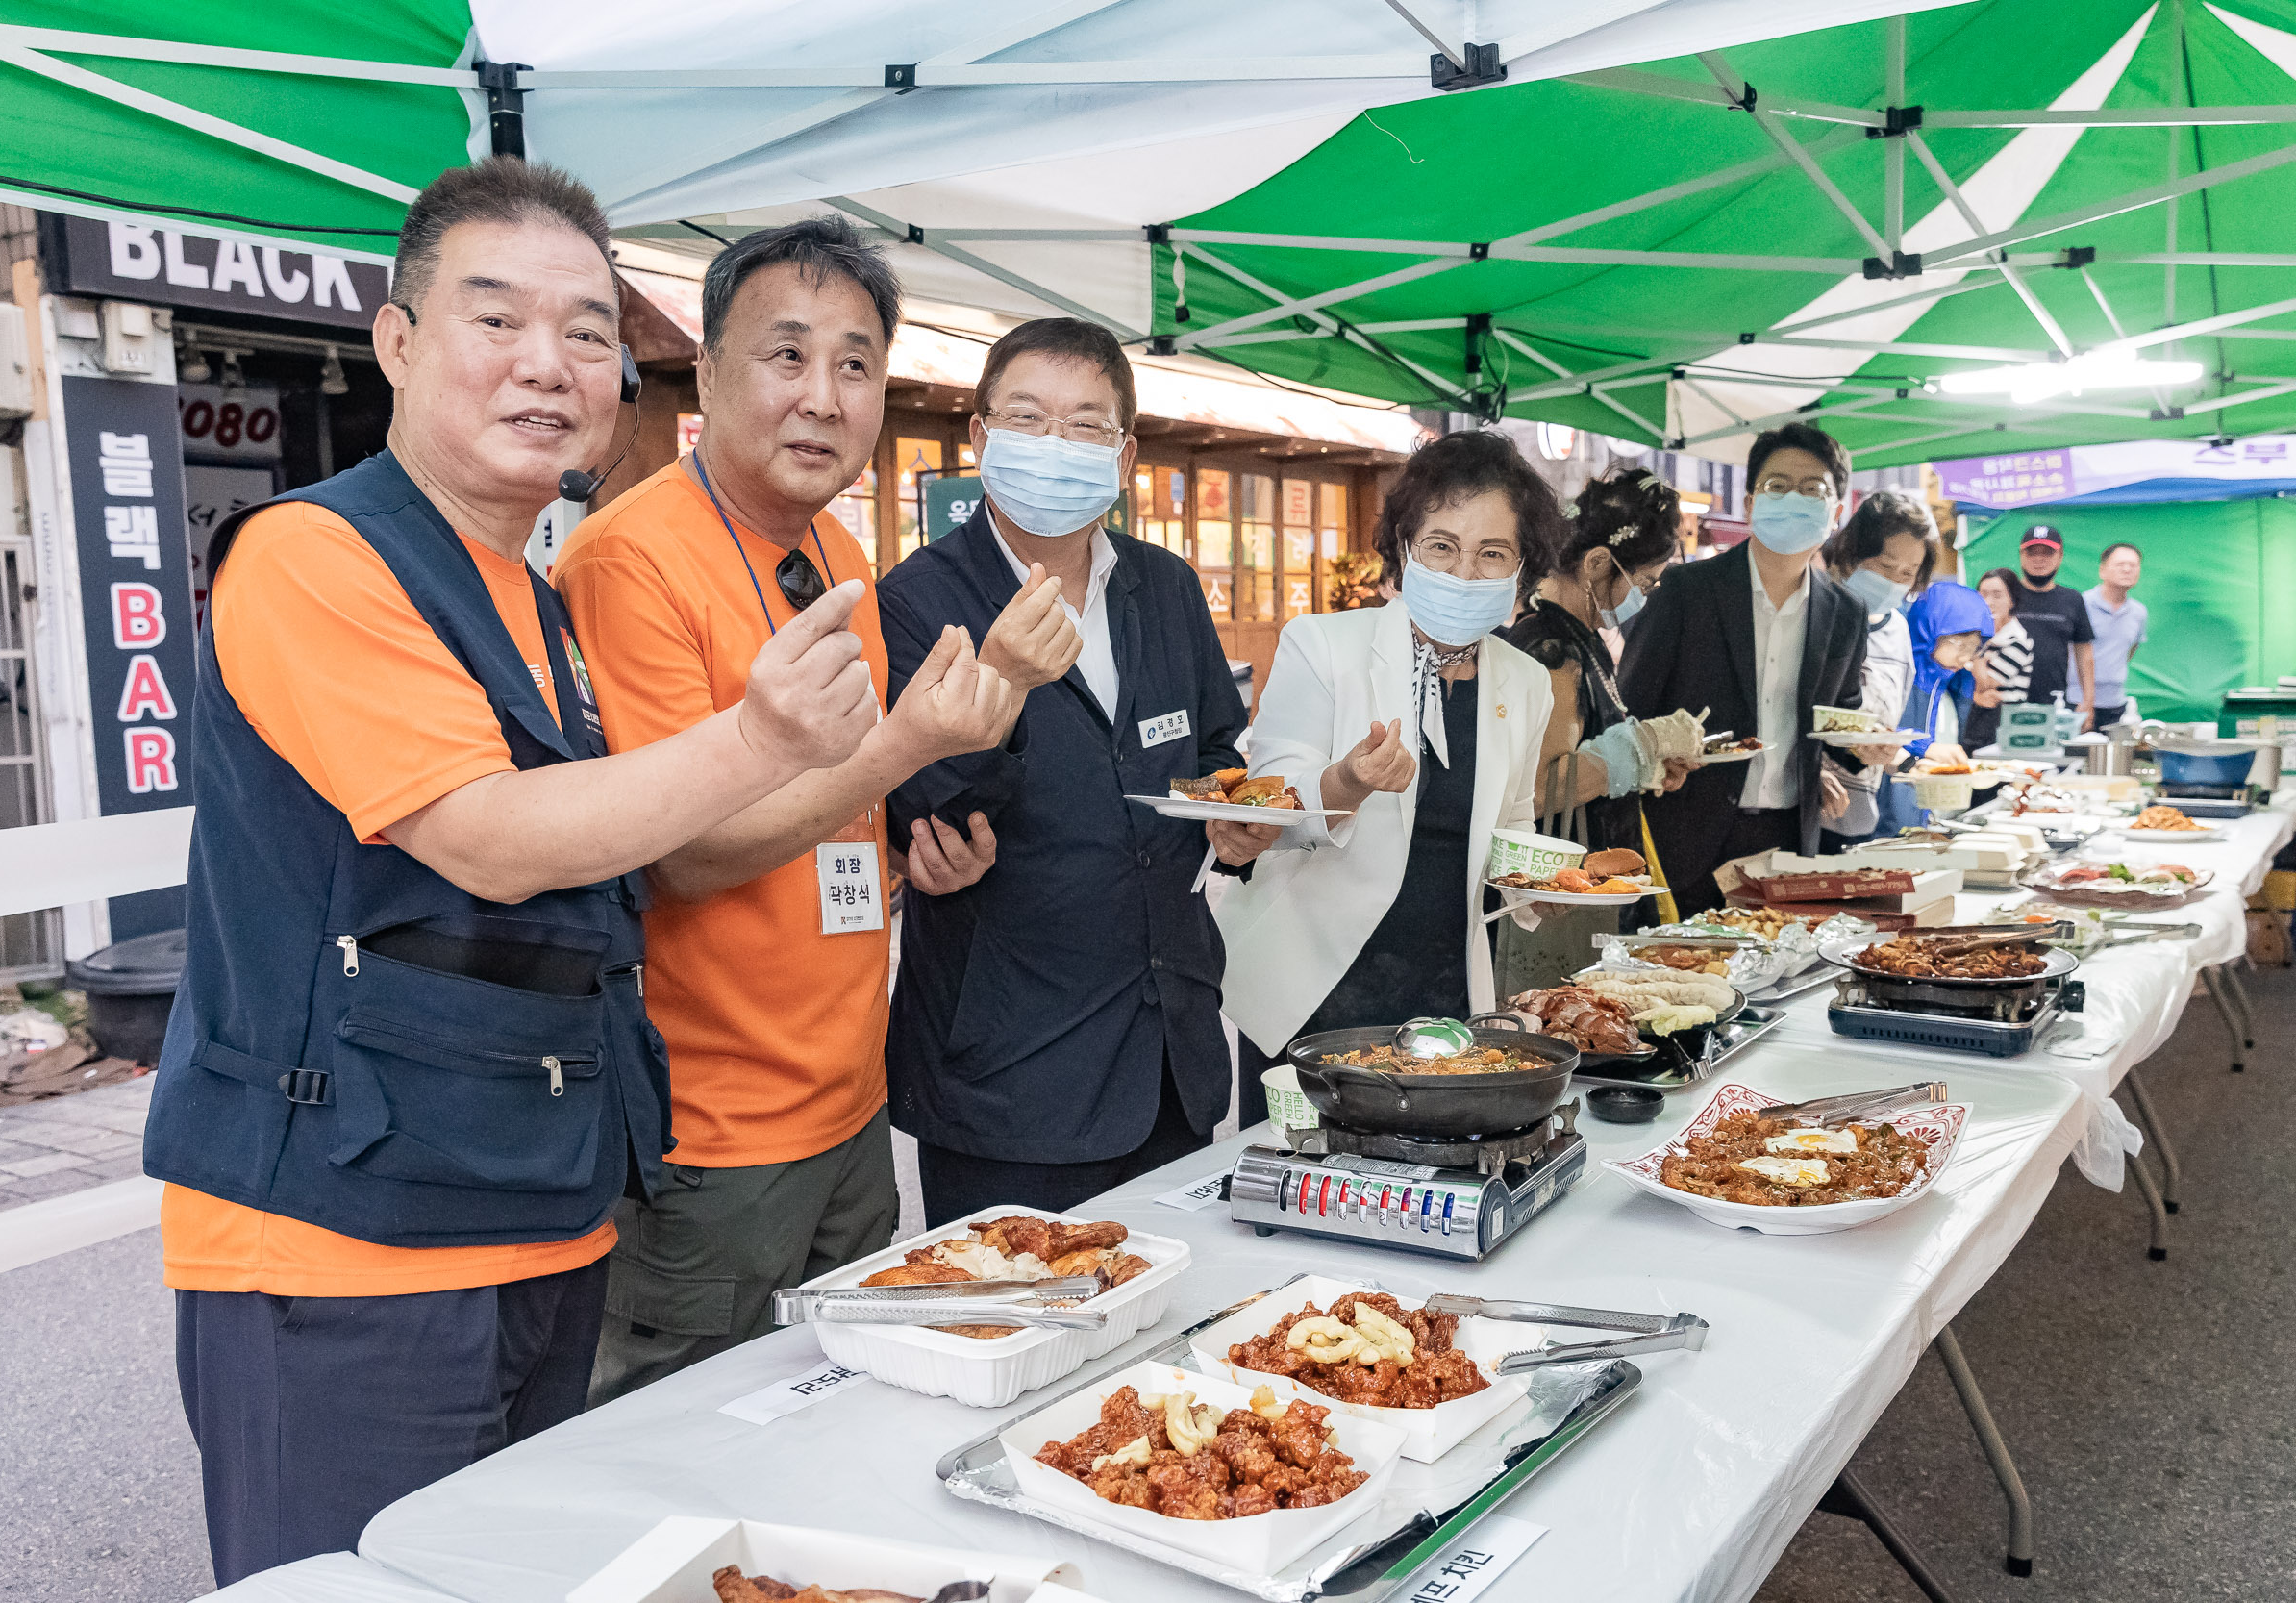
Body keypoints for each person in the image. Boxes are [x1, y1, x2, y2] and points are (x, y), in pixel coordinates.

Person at [143, 161, 884, 1584]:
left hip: (537, 1210)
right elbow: (479, 829)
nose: (548, 364)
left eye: (590, 332)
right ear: (400, 342)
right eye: (498, 321)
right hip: (343, 1245)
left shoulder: (532, 598)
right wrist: (766, 736)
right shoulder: (312, 555)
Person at [551, 220, 1022, 1400]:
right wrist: (910, 742)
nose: (823, 397)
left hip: (849, 1106)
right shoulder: (630, 561)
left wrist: (912, 860)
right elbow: (681, 856)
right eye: (788, 355)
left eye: (856, 364)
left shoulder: (833, 545)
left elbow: (831, 804)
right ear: (705, 374)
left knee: (844, 1428)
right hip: (712, 1135)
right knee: (692, 1464)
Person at [877, 317, 1243, 1226]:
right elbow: (927, 806)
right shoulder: (919, 599)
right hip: (1009, 1078)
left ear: (1123, 457)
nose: (1055, 447)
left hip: (1172, 1056)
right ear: (981, 439)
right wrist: (1001, 680)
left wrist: (1239, 822)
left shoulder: (1164, 586)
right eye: (1029, 418)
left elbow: (1216, 755)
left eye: (1084, 427)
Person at [1213, 433, 1690, 1114]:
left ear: (1520, 570)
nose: (1465, 571)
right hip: (1311, 995)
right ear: (1405, 549)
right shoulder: (1323, 645)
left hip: (1445, 1000)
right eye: (1442, 545)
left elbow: (1513, 824)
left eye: (1491, 553)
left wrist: (1539, 890)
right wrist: (1348, 778)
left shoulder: (1523, 681)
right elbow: (1273, 813)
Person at [1619, 422, 1891, 912]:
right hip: (1684, 835)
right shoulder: (1687, 592)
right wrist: (1658, 756)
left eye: (1813, 489)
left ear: (1837, 510)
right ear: (1749, 503)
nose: (1794, 498)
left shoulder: (1845, 611)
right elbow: (1629, 708)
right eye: (1776, 485)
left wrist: (1867, 745)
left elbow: (1838, 718)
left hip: (1790, 838)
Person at [1502, 463, 1683, 854]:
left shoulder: (1582, 637)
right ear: (1598, 564)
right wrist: (1644, 743)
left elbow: (1586, 745)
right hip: (1562, 883)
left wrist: (1647, 767)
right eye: (1645, 583)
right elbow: (1539, 790)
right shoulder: (1552, 649)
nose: (1645, 597)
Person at [1818, 490, 1940, 841]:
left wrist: (1906, 760)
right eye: (1885, 566)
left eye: (1907, 573)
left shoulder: (1898, 629)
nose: (1894, 581)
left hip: (1860, 819)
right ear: (1851, 553)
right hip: (1802, 815)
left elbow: (1879, 727)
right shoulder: (1816, 612)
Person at [2009, 523, 2097, 715]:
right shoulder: (2006, 594)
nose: (2039, 559)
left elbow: (2084, 652)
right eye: (2032, 552)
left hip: (2053, 702)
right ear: (2021, 555)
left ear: (2060, 556)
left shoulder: (2072, 599)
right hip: (2003, 700)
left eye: (2047, 553)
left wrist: (2088, 701)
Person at [1904, 581, 1993, 753]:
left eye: (1974, 648)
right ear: (1928, 632)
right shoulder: (1900, 684)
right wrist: (1924, 750)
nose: (1966, 658)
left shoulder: (1954, 687)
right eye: (1961, 646)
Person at [2079, 541, 2149, 729]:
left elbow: (2130, 649)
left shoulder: (2139, 612)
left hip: (2115, 702)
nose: (2127, 570)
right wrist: (2085, 700)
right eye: (2120, 564)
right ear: (2102, 570)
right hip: (2078, 700)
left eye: (2133, 565)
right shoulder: (2082, 604)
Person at [1967, 567, 2037, 751]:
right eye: (1983, 594)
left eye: (1997, 595)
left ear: (2012, 600)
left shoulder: (2018, 641)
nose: (1989, 602)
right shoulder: (1974, 634)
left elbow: (1985, 684)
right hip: (1972, 721)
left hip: (2003, 727)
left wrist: (1974, 655)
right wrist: (1975, 696)